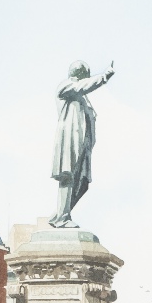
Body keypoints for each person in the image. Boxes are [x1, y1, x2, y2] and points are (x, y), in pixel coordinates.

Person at [50, 60, 115, 228]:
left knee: (82, 183)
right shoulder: (66, 87)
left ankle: (60, 214)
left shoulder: (81, 96)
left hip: (83, 146)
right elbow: (81, 86)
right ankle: (62, 218)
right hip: (70, 142)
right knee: (68, 176)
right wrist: (104, 77)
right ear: (80, 75)